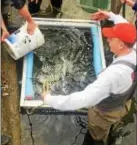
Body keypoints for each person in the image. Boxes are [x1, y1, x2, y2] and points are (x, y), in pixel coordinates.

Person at [42, 10, 136, 145]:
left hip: (105, 113)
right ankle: (115, 126)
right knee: (115, 118)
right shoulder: (133, 47)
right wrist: (109, 15)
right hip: (124, 103)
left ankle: (101, 138)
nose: (107, 39)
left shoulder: (113, 75)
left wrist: (49, 99)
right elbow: (126, 25)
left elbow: (83, 99)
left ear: (121, 45)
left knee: (95, 136)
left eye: (111, 38)